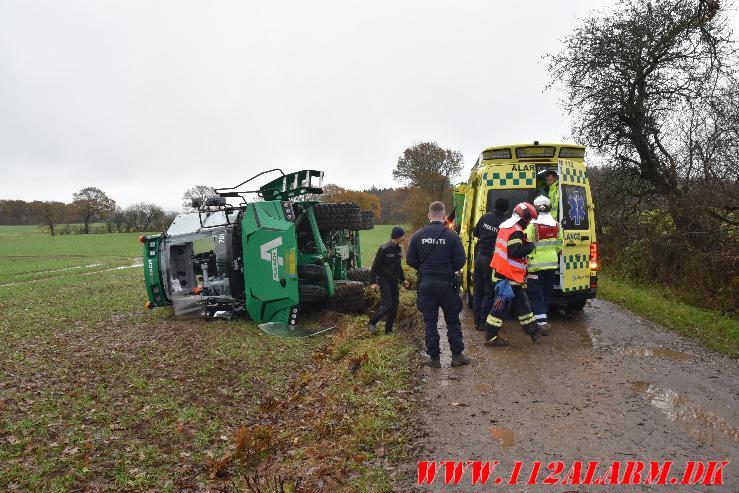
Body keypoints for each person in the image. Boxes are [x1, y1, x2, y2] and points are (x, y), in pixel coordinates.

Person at [406, 201, 470, 368]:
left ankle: (434, 359)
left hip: (426, 284)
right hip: (447, 284)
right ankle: (457, 356)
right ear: (443, 216)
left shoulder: (418, 235)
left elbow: (410, 260)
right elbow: (461, 260)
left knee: (430, 322)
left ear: (429, 215)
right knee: (453, 321)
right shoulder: (451, 235)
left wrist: (424, 268)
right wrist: (449, 269)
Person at [483, 202, 545, 347]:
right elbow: (514, 251)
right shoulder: (515, 230)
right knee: (500, 309)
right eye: (529, 220)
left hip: (505, 273)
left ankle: (534, 332)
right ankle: (490, 336)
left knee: (522, 305)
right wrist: (530, 246)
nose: (529, 223)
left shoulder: (506, 226)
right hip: (508, 276)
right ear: (524, 218)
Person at [524, 196, 562, 331]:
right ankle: (543, 316)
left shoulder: (532, 225)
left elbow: (525, 242)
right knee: (546, 292)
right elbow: (560, 245)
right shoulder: (556, 225)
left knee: (535, 292)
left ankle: (541, 323)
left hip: (536, 266)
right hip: (552, 264)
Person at [472, 198, 509, 330]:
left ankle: (476, 321)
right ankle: (483, 322)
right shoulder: (505, 223)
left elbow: (475, 233)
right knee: (489, 292)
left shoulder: (485, 216)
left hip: (479, 257)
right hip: (491, 260)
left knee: (478, 290)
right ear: (506, 209)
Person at [368, 226, 410, 335]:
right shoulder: (384, 248)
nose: (404, 238)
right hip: (383, 280)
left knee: (395, 305)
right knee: (387, 304)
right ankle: (372, 322)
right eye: (402, 236)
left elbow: (398, 266)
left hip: (393, 281)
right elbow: (375, 267)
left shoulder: (398, 249)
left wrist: (403, 279)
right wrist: (373, 282)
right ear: (397, 236)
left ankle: (389, 330)